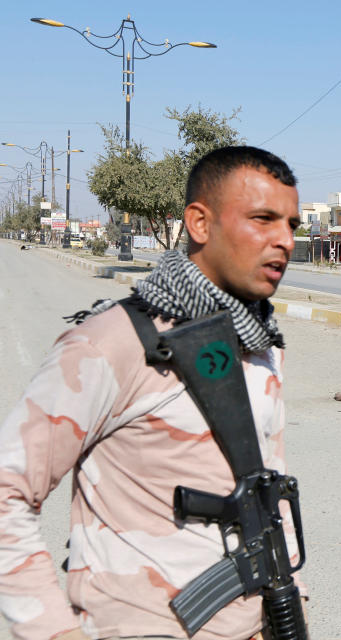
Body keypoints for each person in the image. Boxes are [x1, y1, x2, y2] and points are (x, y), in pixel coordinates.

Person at [0, 146, 305, 640]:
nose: (284, 240)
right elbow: (7, 490)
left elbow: (266, 494)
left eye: (291, 223)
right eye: (263, 219)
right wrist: (52, 631)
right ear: (200, 224)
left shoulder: (259, 346)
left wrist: (291, 599)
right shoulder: (112, 343)